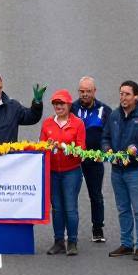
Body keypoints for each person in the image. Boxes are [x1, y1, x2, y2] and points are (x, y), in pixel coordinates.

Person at [102, 81, 138, 261]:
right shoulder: (114, 115)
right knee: (122, 208)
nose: (123, 97)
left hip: (136, 171)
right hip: (117, 170)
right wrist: (107, 148)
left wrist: (137, 150)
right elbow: (105, 137)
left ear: (136, 96)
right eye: (121, 93)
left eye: (127, 94)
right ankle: (126, 243)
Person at [40, 90, 86, 256]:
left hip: (71, 171)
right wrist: (47, 147)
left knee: (70, 208)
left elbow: (81, 150)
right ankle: (59, 241)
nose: (58, 106)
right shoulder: (47, 124)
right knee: (57, 208)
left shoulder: (78, 124)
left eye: (62, 103)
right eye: (55, 104)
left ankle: (72, 241)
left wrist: (63, 147)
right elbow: (41, 147)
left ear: (69, 105)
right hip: (53, 172)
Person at [72, 77, 111, 243]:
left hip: (94, 159)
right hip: (74, 159)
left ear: (95, 91)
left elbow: (109, 135)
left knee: (96, 195)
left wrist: (105, 151)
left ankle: (98, 228)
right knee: (70, 195)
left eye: (88, 91)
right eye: (82, 91)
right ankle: (70, 229)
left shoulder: (105, 110)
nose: (85, 94)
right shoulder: (71, 108)